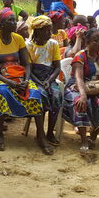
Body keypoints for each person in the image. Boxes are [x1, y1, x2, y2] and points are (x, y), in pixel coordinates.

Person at [0, 8, 49, 153]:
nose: (15, 23)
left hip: (19, 77)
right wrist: (10, 83)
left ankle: (40, 135)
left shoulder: (18, 39)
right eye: (11, 20)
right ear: (1, 24)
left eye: (15, 19)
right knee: (2, 91)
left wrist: (25, 80)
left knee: (35, 93)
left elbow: (26, 64)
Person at [63, 28, 99, 158]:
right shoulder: (80, 56)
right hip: (77, 86)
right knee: (80, 103)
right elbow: (78, 78)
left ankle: (93, 136)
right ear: (87, 43)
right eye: (96, 41)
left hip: (95, 86)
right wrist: (83, 95)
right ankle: (84, 140)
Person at [27, 15, 62, 146]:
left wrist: (49, 80)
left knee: (57, 96)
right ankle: (39, 132)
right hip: (34, 79)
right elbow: (29, 70)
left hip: (49, 77)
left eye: (50, 30)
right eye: (47, 30)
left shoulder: (53, 44)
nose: (50, 33)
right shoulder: (29, 46)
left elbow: (57, 68)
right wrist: (41, 83)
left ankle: (50, 131)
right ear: (38, 31)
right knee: (40, 96)